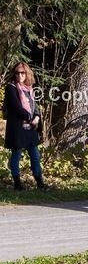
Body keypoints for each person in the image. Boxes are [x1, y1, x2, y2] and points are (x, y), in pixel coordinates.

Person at [4, 62, 46, 190]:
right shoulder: (11, 88)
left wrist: (37, 118)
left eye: (22, 72)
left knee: (35, 155)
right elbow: (16, 107)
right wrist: (30, 118)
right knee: (16, 154)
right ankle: (17, 183)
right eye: (17, 73)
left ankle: (40, 182)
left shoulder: (29, 88)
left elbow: (36, 107)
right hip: (17, 128)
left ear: (27, 73)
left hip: (31, 128)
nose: (19, 75)